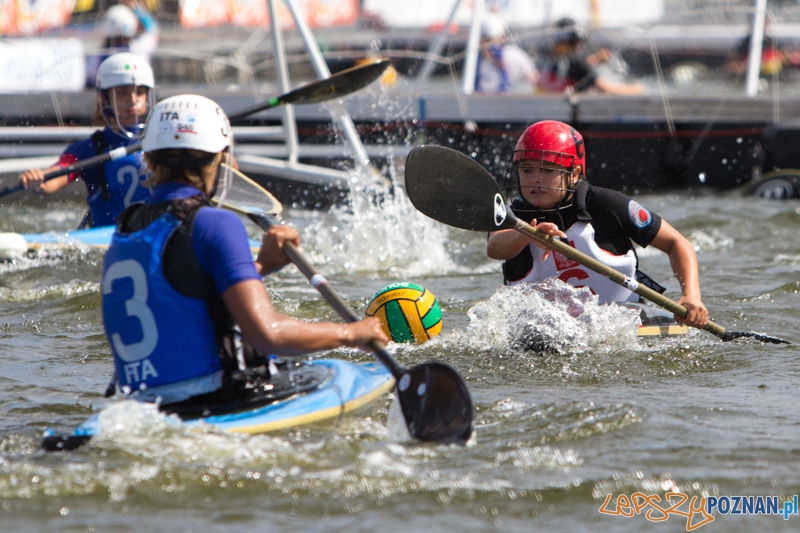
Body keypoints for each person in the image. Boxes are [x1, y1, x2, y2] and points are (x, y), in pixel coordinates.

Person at [101, 94, 389, 407]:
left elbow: (178, 291)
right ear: (222, 157)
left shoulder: (127, 224)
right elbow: (268, 335)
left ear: (148, 158)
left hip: (142, 406)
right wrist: (351, 333)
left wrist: (260, 266)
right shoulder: (215, 223)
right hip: (216, 399)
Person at [486, 120, 708, 329]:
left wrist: (691, 295)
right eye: (527, 170)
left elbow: (676, 243)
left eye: (548, 170)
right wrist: (525, 235)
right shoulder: (512, 217)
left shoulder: (608, 205)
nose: (535, 178)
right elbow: (494, 247)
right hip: (540, 329)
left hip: (620, 320)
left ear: (573, 175)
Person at [19, 52, 153, 228]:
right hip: (106, 241)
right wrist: (39, 180)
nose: (133, 100)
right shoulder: (87, 149)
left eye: (140, 93)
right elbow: (58, 175)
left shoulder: (159, 143)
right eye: (122, 93)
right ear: (105, 99)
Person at [537, 18, 644, 96]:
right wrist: (634, 89)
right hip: (575, 117)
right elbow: (603, 88)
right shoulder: (577, 62)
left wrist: (595, 59)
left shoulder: (547, 59)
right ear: (575, 41)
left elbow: (573, 68)